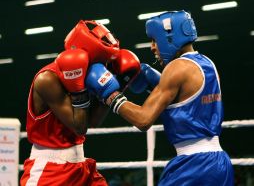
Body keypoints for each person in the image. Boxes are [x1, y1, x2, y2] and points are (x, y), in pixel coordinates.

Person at [85, 10, 234, 185]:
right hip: (219, 163)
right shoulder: (207, 63)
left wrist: (109, 94)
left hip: (194, 165)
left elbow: (143, 120)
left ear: (170, 37)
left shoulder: (176, 68)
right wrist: (153, 83)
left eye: (155, 40)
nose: (152, 47)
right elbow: (188, 102)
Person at [20, 20, 122, 186]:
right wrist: (78, 90)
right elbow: (79, 127)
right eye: (102, 60)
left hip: (80, 164)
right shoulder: (48, 79)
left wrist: (114, 88)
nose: (104, 66)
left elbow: (93, 122)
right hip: (50, 171)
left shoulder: (88, 76)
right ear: (85, 54)